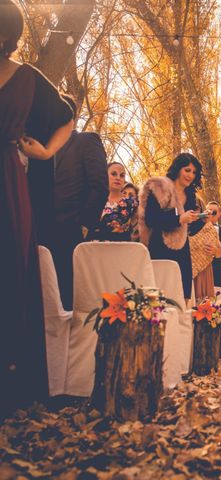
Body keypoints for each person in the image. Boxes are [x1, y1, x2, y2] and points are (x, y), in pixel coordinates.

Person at [1, 0, 74, 416]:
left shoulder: (28, 78)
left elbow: (66, 115)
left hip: (8, 181)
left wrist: (47, 152)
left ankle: (12, 381)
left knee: (11, 267)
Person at [51, 95, 108, 310]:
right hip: (44, 231)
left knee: (70, 295)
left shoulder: (86, 140)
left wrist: (84, 224)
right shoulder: (44, 148)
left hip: (73, 230)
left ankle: (74, 342)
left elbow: (99, 185)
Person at [138, 153, 204, 302]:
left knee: (181, 294)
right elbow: (151, 219)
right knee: (159, 294)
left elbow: (189, 229)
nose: (191, 175)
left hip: (182, 249)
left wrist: (200, 220)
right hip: (159, 246)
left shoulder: (190, 195)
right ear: (178, 169)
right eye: (187, 170)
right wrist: (179, 219)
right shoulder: (160, 188)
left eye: (194, 172)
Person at [89, 162, 138, 241]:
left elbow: (140, 229)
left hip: (121, 249)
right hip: (95, 249)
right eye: (113, 174)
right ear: (105, 175)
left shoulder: (132, 203)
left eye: (122, 175)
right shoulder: (94, 200)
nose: (118, 178)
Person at [190, 200, 221, 302]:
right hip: (188, 267)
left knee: (203, 302)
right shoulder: (185, 226)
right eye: (209, 211)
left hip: (206, 269)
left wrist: (216, 252)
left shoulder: (219, 232)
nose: (211, 214)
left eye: (214, 212)